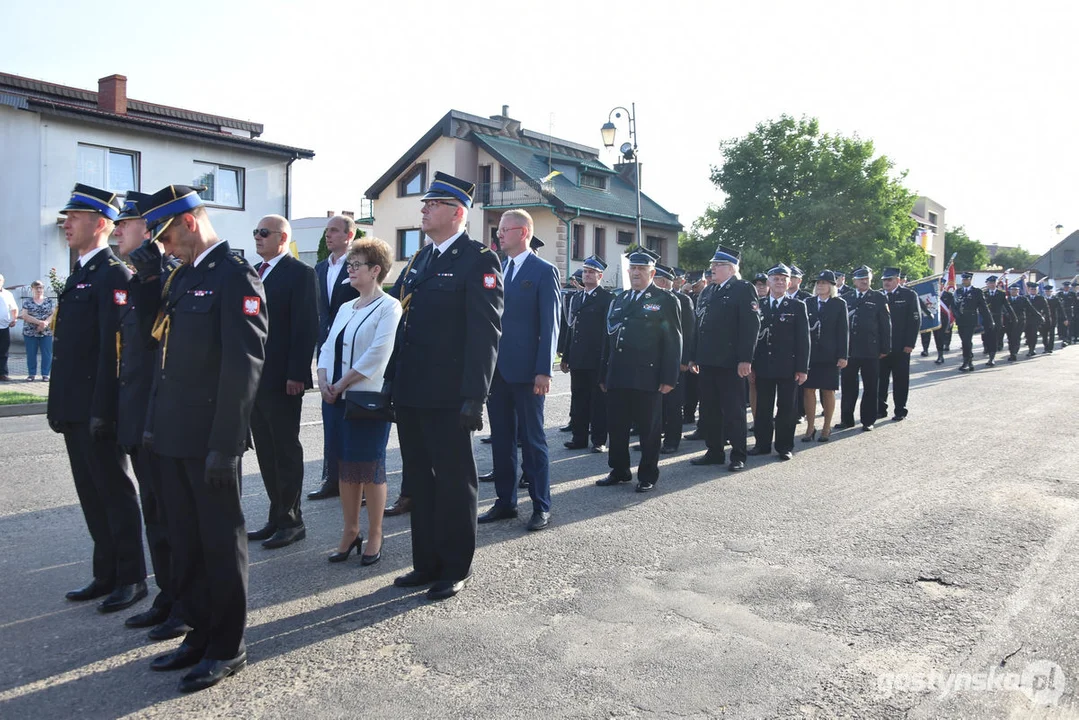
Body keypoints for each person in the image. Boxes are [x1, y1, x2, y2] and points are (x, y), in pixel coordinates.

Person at [141, 184, 268, 692]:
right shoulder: (182, 276)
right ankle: (199, 632)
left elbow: (245, 366)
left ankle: (227, 646)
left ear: (190, 223)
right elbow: (165, 358)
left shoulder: (236, 276)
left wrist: (227, 443)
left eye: (168, 236)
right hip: (173, 435)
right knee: (187, 542)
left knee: (219, 542)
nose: (164, 247)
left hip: (211, 439)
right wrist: (154, 424)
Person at [386, 172, 502, 601]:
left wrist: (476, 395)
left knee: (454, 481)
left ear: (457, 212)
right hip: (413, 389)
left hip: (451, 393)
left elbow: (485, 333)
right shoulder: (420, 260)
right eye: (424, 204)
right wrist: (389, 384)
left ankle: (454, 566)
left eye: (432, 204)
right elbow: (404, 324)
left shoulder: (478, 260)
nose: (423, 209)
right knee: (419, 479)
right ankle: (426, 562)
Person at [48, 184, 147, 613]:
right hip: (74, 406)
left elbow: (114, 350)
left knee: (114, 491)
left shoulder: (113, 274)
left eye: (75, 217)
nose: (66, 224)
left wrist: (104, 410)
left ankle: (131, 578)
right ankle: (105, 572)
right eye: (66, 217)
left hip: (97, 408)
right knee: (91, 492)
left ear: (102, 224)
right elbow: (67, 348)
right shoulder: (81, 272)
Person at [111, 193, 189, 640]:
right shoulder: (143, 277)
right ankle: (167, 593)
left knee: (175, 516)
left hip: (163, 416)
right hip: (138, 411)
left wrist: (151, 276)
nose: (118, 231)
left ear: (151, 231)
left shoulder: (169, 278)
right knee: (155, 514)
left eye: (128, 224)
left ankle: (185, 600)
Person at [317, 238, 402, 565]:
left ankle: (376, 533)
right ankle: (350, 531)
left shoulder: (389, 306)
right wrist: (324, 379)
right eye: (349, 266)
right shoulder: (344, 307)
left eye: (356, 266)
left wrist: (340, 383)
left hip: (366, 398)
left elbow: (378, 355)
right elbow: (327, 346)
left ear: (375, 270)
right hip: (335, 398)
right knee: (344, 467)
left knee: (368, 468)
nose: (349, 271)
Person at [477, 210, 559, 531]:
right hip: (497, 372)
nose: (499, 235)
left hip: (528, 373)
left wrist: (544, 370)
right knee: (501, 441)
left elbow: (550, 325)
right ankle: (505, 502)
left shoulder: (543, 271)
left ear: (523, 232)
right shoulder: (497, 268)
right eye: (498, 230)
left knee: (533, 441)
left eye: (504, 230)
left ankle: (541, 505)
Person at [246, 216, 319, 549]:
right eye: (256, 233)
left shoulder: (299, 273)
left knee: (285, 449)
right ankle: (276, 516)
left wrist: (297, 374)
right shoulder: (254, 272)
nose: (258, 238)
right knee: (265, 449)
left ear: (282, 237)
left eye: (264, 233)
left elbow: (305, 326)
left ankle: (292, 521)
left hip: (281, 378)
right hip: (254, 377)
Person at [596, 250, 681, 492]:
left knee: (649, 429)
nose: (635, 273)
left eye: (641, 269)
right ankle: (619, 469)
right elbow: (608, 339)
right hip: (618, 374)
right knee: (618, 427)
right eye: (632, 268)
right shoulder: (619, 299)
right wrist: (604, 373)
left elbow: (673, 341)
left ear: (652, 273)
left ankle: (647, 475)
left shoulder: (664, 300)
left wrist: (669, 377)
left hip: (648, 375)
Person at [688, 246, 759, 471]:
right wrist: (693, 356)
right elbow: (699, 326)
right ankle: (714, 451)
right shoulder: (709, 291)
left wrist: (745, 359)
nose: (712, 269)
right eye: (712, 266)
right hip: (707, 360)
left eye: (717, 265)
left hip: (731, 362)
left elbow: (751, 326)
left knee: (734, 410)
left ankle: (738, 455)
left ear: (730, 268)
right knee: (709, 409)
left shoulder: (743, 288)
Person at [309, 215, 361, 502]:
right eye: (327, 231)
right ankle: (331, 478)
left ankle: (356, 482)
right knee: (330, 414)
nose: (328, 235)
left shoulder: (357, 265)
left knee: (352, 418)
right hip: (327, 349)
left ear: (349, 235)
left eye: (334, 231)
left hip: (352, 350)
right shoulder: (319, 268)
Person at [749, 264, 809, 460]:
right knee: (763, 408)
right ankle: (762, 444)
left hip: (788, 367)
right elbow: (751, 338)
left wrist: (802, 368)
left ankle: (784, 446)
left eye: (784, 279)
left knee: (787, 409)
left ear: (789, 283)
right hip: (763, 365)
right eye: (776, 279)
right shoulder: (758, 305)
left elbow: (803, 340)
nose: (780, 282)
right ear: (768, 282)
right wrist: (750, 364)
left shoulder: (797, 306)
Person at [560, 255, 613, 453]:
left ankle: (599, 439)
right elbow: (571, 328)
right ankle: (579, 437)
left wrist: (607, 360)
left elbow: (608, 333)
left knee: (598, 401)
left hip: (597, 358)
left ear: (600, 276)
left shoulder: (607, 299)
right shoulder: (576, 298)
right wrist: (566, 356)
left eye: (591, 272)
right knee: (579, 399)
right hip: (578, 357)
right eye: (585, 271)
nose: (587, 275)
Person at [838, 265, 891, 431]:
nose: (864, 281)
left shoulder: (878, 297)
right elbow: (840, 326)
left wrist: (885, 348)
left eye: (867, 278)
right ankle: (847, 419)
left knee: (870, 386)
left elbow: (885, 324)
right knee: (848, 387)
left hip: (870, 349)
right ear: (854, 281)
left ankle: (868, 420)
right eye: (861, 278)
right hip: (850, 350)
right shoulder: (845, 298)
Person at [652, 263, 695, 453]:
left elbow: (688, 331)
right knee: (654, 403)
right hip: (653, 360)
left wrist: (685, 360)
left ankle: (671, 441)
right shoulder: (650, 299)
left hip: (674, 360)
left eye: (655, 280)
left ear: (662, 281)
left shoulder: (682, 300)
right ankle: (653, 438)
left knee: (673, 403)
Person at [802, 271, 848, 442]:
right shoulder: (808, 302)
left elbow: (843, 331)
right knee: (808, 390)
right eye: (818, 283)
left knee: (828, 391)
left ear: (831, 286)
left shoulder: (838, 304)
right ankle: (810, 427)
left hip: (830, 354)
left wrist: (843, 355)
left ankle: (826, 427)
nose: (820, 285)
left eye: (824, 283)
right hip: (810, 354)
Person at [877, 267, 921, 421]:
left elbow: (915, 320)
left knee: (900, 380)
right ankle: (880, 409)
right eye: (884, 280)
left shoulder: (908, 295)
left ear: (897, 280)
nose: (886, 283)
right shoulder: (878, 296)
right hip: (882, 347)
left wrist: (910, 343)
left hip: (901, 346)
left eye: (889, 280)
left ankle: (900, 409)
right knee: (880, 380)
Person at [952, 271, 992, 372]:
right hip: (961, 319)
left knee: (966, 340)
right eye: (963, 279)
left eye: (966, 279)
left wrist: (989, 320)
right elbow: (954, 305)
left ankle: (967, 361)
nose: (964, 281)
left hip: (971, 318)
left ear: (970, 280)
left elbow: (983, 307)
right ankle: (969, 361)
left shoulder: (977, 292)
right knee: (964, 341)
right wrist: (956, 314)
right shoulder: (958, 291)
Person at [19, 280, 54, 381]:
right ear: (32, 289)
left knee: (47, 353)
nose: (39, 290)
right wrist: (39, 323)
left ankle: (45, 374)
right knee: (31, 353)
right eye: (36, 288)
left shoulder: (49, 301)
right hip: (30, 332)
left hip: (46, 332)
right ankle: (31, 374)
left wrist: (45, 323)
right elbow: (25, 315)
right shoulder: (27, 302)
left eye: (41, 288)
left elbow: (53, 314)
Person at [980, 275, 1015, 365]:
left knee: (994, 338)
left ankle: (992, 358)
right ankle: (988, 349)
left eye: (993, 283)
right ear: (987, 284)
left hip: (997, 319)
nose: (992, 284)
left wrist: (1013, 316)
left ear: (996, 284)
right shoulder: (983, 294)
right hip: (986, 319)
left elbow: (1007, 306)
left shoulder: (1001, 294)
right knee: (986, 338)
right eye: (990, 283)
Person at [1005, 282, 1035, 361]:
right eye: (1012, 290)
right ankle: (1011, 352)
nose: (1014, 291)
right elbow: (1003, 310)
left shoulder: (1023, 299)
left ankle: (1014, 353)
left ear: (1018, 291)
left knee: (1016, 337)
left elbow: (1031, 308)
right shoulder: (1007, 299)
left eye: (1015, 290)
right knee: (1010, 338)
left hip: (1020, 321)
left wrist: (1038, 316)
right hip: (1009, 322)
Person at [1024, 281, 1048, 357]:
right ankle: (1030, 347)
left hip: (1036, 319)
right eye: (1031, 289)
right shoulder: (1026, 298)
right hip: (1027, 319)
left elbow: (1046, 309)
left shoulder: (1041, 298)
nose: (1033, 291)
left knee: (1034, 334)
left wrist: (1043, 317)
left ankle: (1032, 349)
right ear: (1029, 290)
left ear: (1037, 290)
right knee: (1028, 334)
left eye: (1035, 290)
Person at [0, 274, 16, 381]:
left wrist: (14, 319)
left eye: (0, 280)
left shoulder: (7, 294)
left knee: (4, 351)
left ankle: (3, 373)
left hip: (4, 327)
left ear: (3, 281)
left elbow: (14, 307)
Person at [1045, 283, 1065, 352]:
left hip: (1053, 318)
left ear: (1051, 292)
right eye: (1046, 291)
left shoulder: (1055, 299)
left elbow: (1061, 309)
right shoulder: (1042, 299)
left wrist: (1064, 318)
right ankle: (1046, 347)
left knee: (1051, 333)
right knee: (1044, 334)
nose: (1048, 293)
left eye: (1049, 291)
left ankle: (1050, 348)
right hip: (1044, 318)